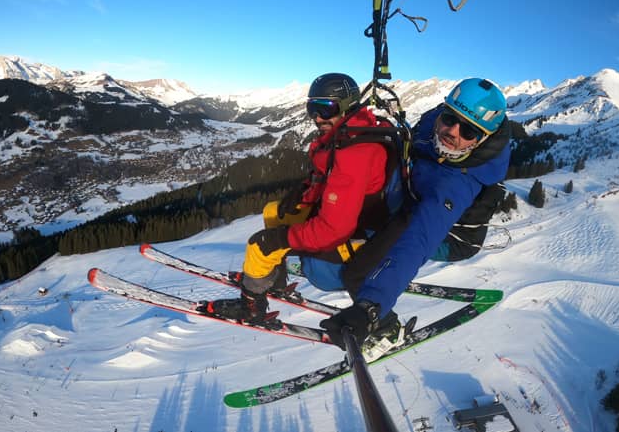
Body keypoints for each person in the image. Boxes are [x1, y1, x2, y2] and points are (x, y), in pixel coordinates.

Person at [320, 77, 511, 349]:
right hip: (411, 198)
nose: (453, 131)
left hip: (449, 236)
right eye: (449, 119)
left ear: (483, 139)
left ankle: (385, 328)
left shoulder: (456, 184)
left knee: (358, 270)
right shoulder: (437, 122)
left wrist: (369, 307)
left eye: (469, 132)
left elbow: (418, 238)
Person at [210, 72, 392, 323]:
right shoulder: (352, 131)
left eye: (325, 109)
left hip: (359, 233)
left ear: (347, 106)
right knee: (275, 212)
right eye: (311, 108)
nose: (317, 117)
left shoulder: (356, 152)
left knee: (259, 246)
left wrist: (281, 239)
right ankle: (273, 279)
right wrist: (306, 189)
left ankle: (251, 305)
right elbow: (329, 173)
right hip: (356, 214)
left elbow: (333, 230)